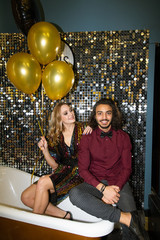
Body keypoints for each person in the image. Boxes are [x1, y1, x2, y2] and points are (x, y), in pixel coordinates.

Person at [69, 98, 146, 239]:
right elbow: (83, 170)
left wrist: (114, 190)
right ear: (95, 116)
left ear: (113, 115)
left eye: (108, 113)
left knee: (134, 232)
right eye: (100, 113)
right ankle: (126, 218)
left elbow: (127, 168)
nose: (104, 117)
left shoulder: (124, 137)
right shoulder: (87, 137)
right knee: (75, 194)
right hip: (95, 183)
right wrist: (103, 190)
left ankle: (129, 220)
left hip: (119, 183)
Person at [21, 102, 92, 219]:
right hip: (63, 172)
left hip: (81, 172)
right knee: (26, 197)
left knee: (43, 182)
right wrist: (45, 150)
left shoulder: (84, 128)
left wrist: (93, 127)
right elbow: (55, 167)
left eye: (71, 110)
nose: (71, 114)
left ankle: (34, 227)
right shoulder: (56, 136)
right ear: (59, 118)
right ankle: (64, 215)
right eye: (66, 113)